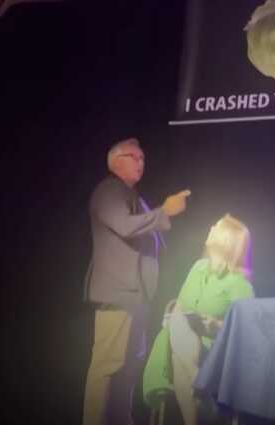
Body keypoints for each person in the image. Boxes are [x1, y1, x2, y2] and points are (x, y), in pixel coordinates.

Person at [82, 137, 191, 425]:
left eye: (143, 158)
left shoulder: (133, 195)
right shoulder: (108, 191)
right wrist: (164, 211)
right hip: (118, 292)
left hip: (137, 295)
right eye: (135, 157)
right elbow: (125, 225)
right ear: (116, 161)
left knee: (128, 368)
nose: (141, 162)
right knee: (107, 367)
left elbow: (149, 233)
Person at [143, 213, 255, 425]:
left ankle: (199, 391)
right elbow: (180, 306)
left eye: (217, 226)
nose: (211, 226)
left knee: (179, 350)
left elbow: (247, 331)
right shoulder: (198, 268)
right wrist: (174, 317)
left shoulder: (240, 284)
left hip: (214, 352)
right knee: (178, 325)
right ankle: (201, 392)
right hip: (181, 343)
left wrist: (216, 326)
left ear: (225, 240)